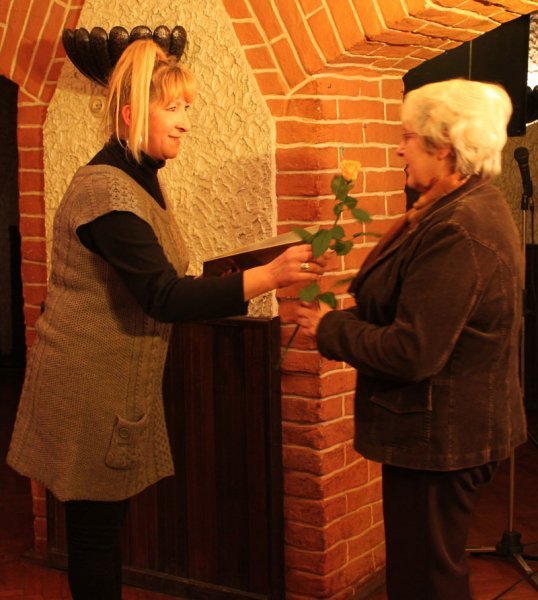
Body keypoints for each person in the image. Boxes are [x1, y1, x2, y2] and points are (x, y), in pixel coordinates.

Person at [7, 39, 326, 600]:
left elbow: (162, 277)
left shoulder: (139, 179)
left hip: (112, 384)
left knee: (103, 529)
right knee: (94, 535)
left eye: (188, 108)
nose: (185, 123)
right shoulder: (105, 190)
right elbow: (163, 296)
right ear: (132, 114)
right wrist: (269, 277)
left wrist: (239, 270)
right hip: (87, 390)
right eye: (172, 108)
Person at [295, 79, 527, 600]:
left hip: (440, 436)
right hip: (438, 432)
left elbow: (412, 352)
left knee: (427, 583)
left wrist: (330, 328)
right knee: (423, 574)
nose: (399, 149)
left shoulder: (459, 226)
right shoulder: (453, 207)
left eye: (407, 138)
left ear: (443, 146)